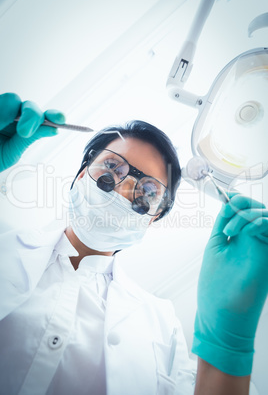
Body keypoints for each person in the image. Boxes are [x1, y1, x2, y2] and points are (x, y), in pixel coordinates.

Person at [0, 93, 267, 395]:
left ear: (152, 218)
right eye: (112, 167)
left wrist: (226, 340)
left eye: (147, 192)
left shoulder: (162, 327)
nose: (122, 191)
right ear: (80, 175)